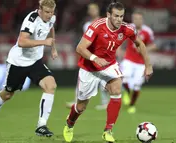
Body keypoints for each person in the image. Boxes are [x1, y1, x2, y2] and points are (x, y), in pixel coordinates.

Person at [63, 2, 153, 142]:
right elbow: (80, 48)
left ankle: (108, 130)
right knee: (81, 106)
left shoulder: (126, 29)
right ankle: (70, 123)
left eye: (121, 16)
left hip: (109, 65)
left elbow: (140, 43)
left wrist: (148, 65)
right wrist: (95, 58)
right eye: (116, 16)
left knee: (117, 90)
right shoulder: (97, 26)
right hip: (89, 68)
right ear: (108, 15)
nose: (119, 19)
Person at [0, 0, 57, 137]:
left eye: (51, 12)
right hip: (18, 62)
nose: (49, 15)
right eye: (46, 12)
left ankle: (41, 125)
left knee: (51, 85)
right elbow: (22, 42)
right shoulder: (31, 20)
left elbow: (51, 28)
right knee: (7, 94)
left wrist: (53, 48)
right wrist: (44, 42)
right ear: (40, 10)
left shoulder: (52, 18)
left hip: (35, 61)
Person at [65, 3, 109, 110]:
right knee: (82, 78)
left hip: (102, 54)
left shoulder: (105, 22)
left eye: (94, 9)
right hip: (90, 55)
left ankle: (106, 102)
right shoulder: (87, 25)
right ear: (89, 12)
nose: (93, 11)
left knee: (103, 79)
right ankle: (76, 101)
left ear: (98, 10)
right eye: (91, 9)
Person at [121, 11, 156, 114]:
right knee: (124, 78)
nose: (137, 21)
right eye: (135, 19)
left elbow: (154, 45)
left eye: (139, 19)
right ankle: (127, 93)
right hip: (128, 59)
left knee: (136, 85)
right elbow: (119, 38)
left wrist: (144, 48)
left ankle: (132, 105)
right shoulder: (128, 28)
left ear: (142, 20)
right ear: (132, 20)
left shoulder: (147, 31)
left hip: (141, 63)